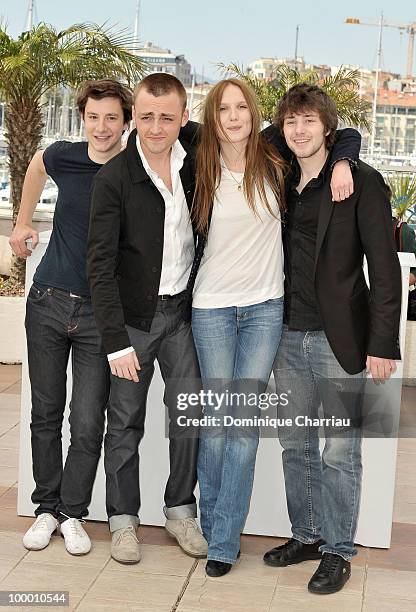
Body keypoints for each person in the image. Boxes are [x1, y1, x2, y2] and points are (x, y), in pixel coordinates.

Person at [187, 78, 361, 578]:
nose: (235, 116)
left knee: (242, 430)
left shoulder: (274, 154)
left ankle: (223, 542)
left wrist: (345, 158)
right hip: (212, 310)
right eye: (225, 109)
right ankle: (213, 524)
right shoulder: (196, 158)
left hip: (266, 311)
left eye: (243, 107)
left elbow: (336, 133)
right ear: (212, 116)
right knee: (219, 425)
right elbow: (147, 136)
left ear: (253, 113)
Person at [263, 83, 401, 594]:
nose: (299, 131)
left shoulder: (361, 182)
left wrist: (383, 343)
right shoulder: (276, 179)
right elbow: (253, 138)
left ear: (327, 127)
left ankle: (339, 550)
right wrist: (341, 148)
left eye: (309, 122)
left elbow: (384, 271)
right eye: (291, 122)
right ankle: (307, 535)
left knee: (341, 451)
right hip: (282, 333)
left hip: (338, 338)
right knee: (294, 444)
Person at [86, 73, 208, 565]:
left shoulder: (199, 165)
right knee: (125, 423)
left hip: (183, 316)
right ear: (134, 116)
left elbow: (253, 134)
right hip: (134, 322)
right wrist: (115, 341)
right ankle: (123, 521)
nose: (156, 127)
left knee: (188, 415)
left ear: (183, 118)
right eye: (146, 116)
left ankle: (180, 510)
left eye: (167, 117)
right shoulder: (113, 178)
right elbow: (99, 264)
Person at [9, 79, 133, 555]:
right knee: (45, 412)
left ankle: (73, 512)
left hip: (101, 317)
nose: (101, 128)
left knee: (86, 422)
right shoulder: (65, 155)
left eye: (111, 118)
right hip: (48, 302)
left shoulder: (135, 168)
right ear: (83, 118)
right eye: (93, 117)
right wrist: (22, 222)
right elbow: (36, 166)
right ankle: (46, 508)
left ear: (126, 123)